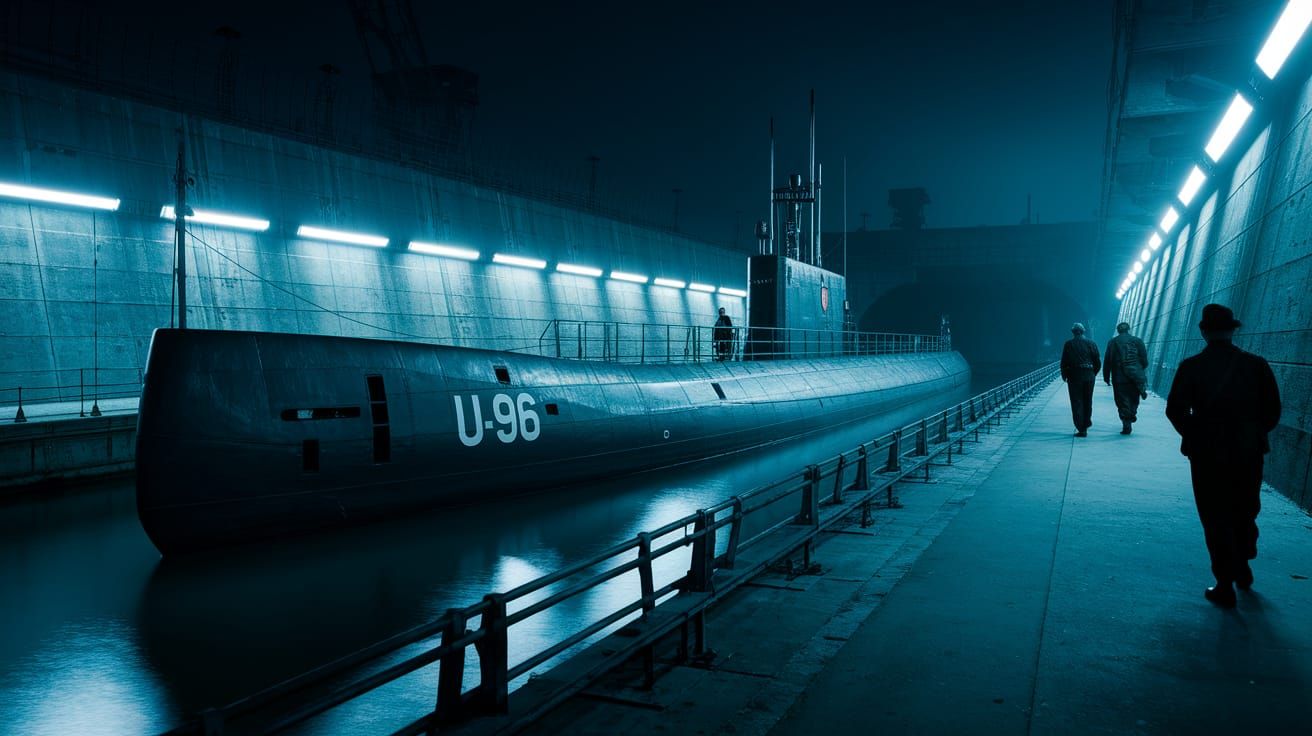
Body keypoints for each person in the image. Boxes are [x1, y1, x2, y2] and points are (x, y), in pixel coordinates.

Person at [1166, 304, 1281, 608]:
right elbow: (1272, 410)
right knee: (1245, 507)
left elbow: (1175, 410)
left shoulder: (1191, 367)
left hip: (1206, 452)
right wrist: (1252, 434)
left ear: (1203, 332)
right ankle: (1242, 563)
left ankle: (1224, 583)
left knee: (1214, 514)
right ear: (1232, 331)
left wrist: (1195, 434)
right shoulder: (1257, 365)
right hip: (1248, 449)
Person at [1103, 321, 1149, 435]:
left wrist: (1106, 376)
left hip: (1119, 378)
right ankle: (1131, 414)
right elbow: (1144, 360)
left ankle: (1126, 422)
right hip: (1134, 377)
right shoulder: (1137, 341)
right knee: (1134, 398)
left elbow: (1107, 361)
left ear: (1118, 330)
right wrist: (1137, 370)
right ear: (1128, 329)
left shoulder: (1112, 342)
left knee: (1122, 401)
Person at [1060, 322, 1100, 437]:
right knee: (1088, 400)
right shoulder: (1091, 343)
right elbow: (1097, 361)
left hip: (1074, 376)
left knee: (1077, 401)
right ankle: (1086, 423)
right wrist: (1093, 373)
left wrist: (1064, 375)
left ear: (1073, 332)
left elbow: (1064, 361)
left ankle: (1081, 428)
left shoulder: (1069, 344)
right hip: (1089, 375)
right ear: (1083, 331)